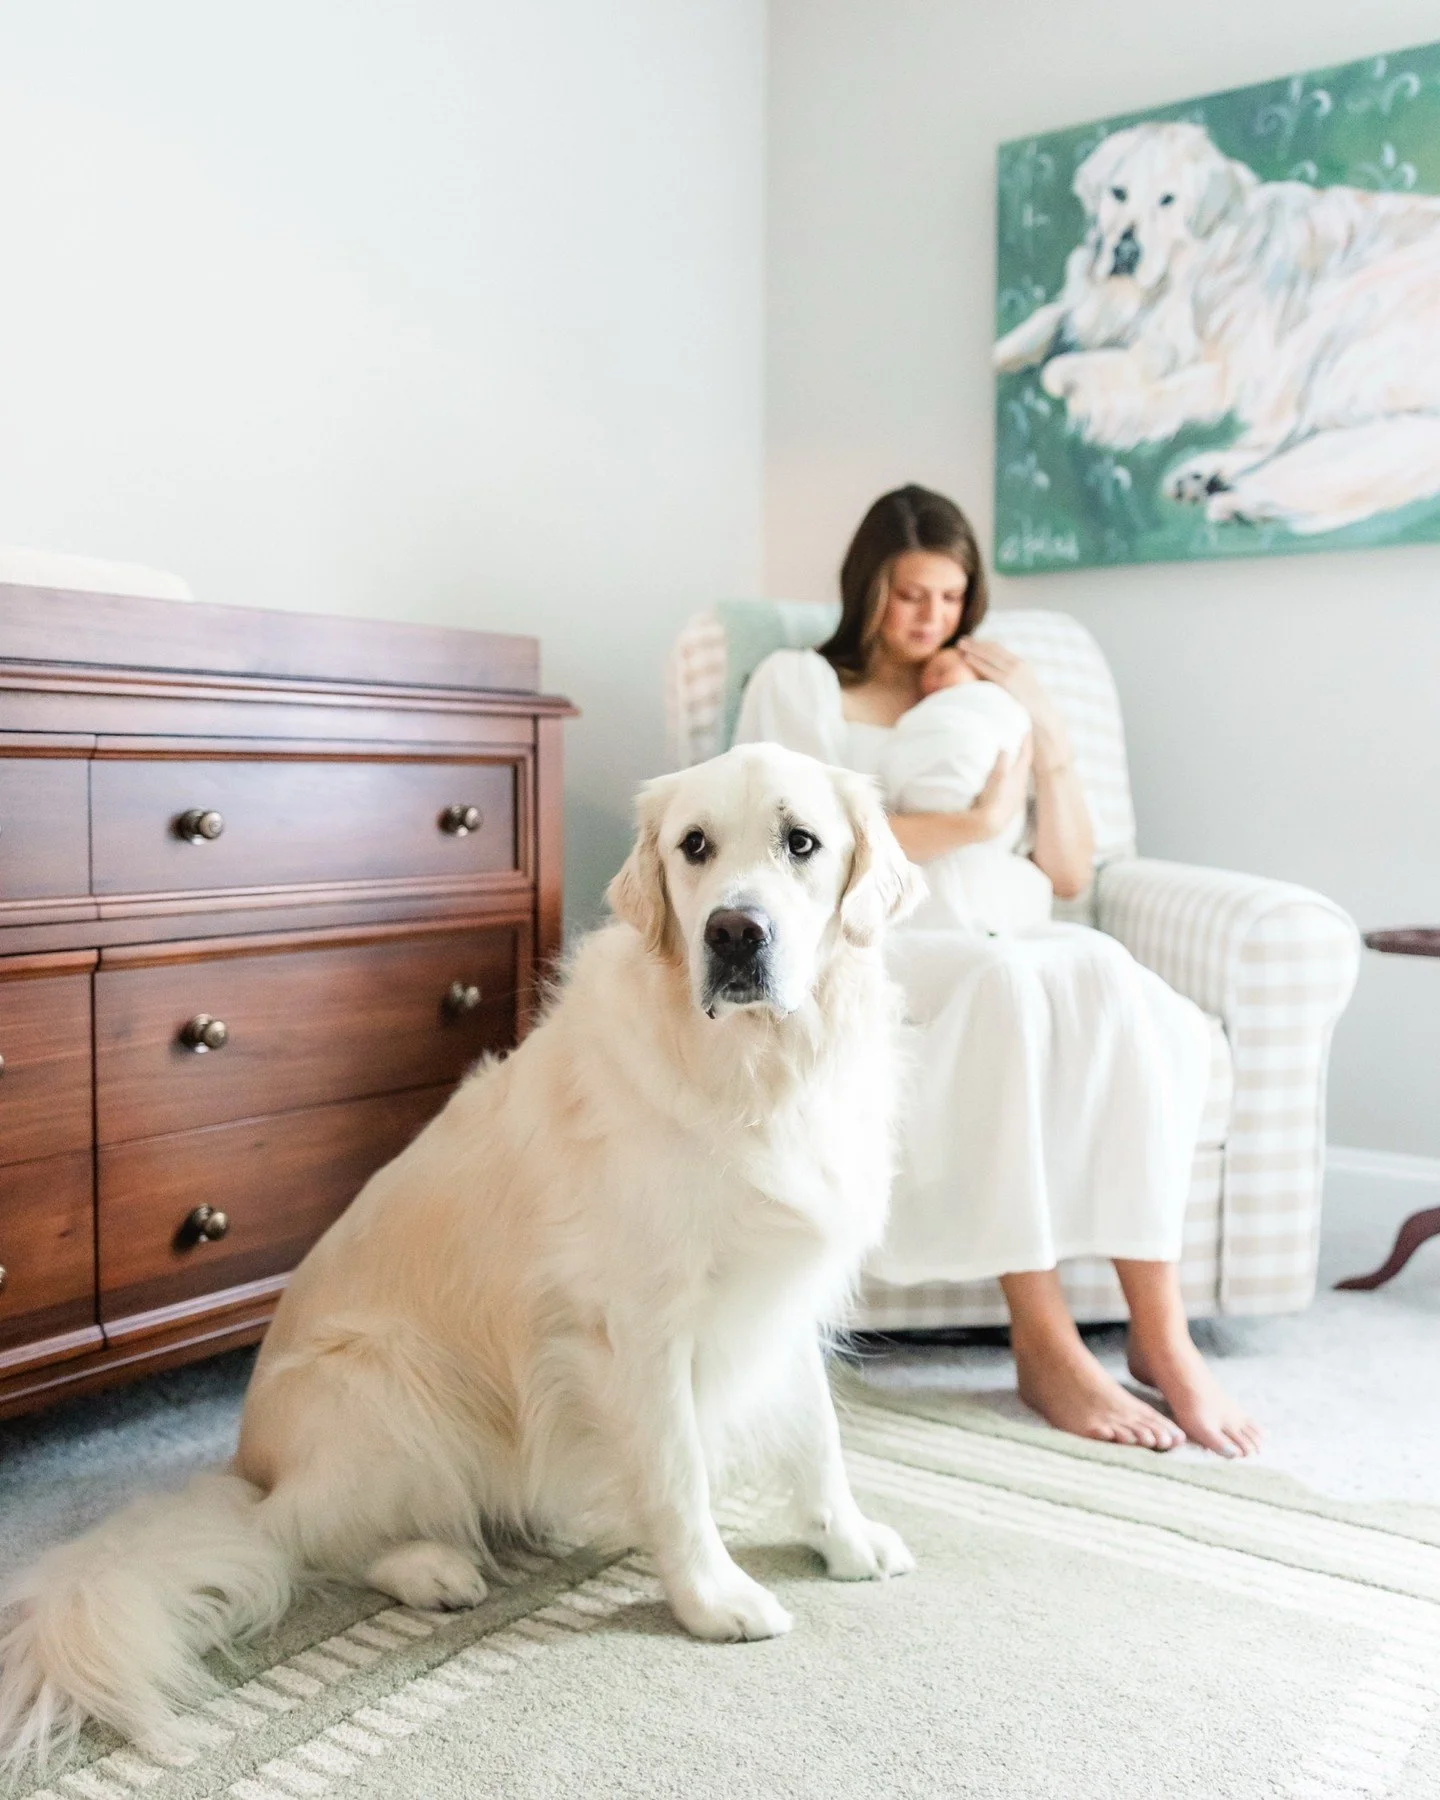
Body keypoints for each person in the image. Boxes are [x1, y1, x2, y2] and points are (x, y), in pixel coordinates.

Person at [734, 484, 1259, 1457]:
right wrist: (972, 826)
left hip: (1008, 928)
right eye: (908, 595)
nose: (930, 618)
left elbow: (1064, 873)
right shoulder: (799, 686)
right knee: (1010, 988)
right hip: (882, 942)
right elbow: (783, 849)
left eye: (949, 595)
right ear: (865, 590)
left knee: (1102, 968)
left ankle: (1162, 1334)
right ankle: (1045, 1339)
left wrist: (1048, 738)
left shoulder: (985, 699)